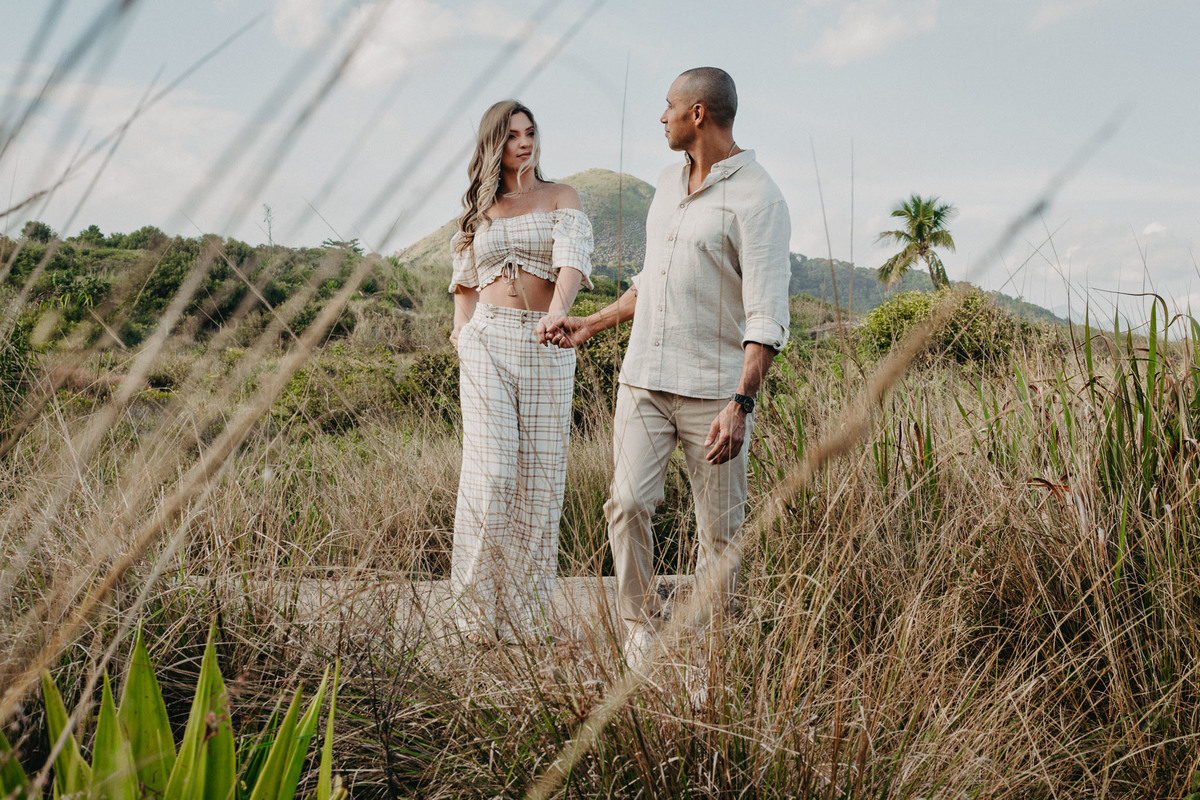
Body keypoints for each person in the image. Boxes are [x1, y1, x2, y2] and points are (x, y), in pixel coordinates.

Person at [541, 68, 792, 667]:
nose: (662, 116)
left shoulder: (760, 199)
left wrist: (742, 405)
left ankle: (709, 651)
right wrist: (590, 325)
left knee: (721, 536)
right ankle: (641, 627)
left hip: (715, 396)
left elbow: (767, 318)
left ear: (698, 113)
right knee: (625, 504)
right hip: (644, 382)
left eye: (669, 106)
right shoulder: (665, 182)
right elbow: (649, 283)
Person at [448, 100, 594, 644]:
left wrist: (559, 308)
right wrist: (462, 334)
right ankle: (473, 613)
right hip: (487, 340)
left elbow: (572, 259)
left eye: (530, 133)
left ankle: (525, 616)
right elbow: (463, 283)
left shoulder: (561, 197)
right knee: (493, 473)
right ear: (494, 144)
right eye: (512, 136)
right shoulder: (478, 211)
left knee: (540, 480)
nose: (525, 143)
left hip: (547, 341)